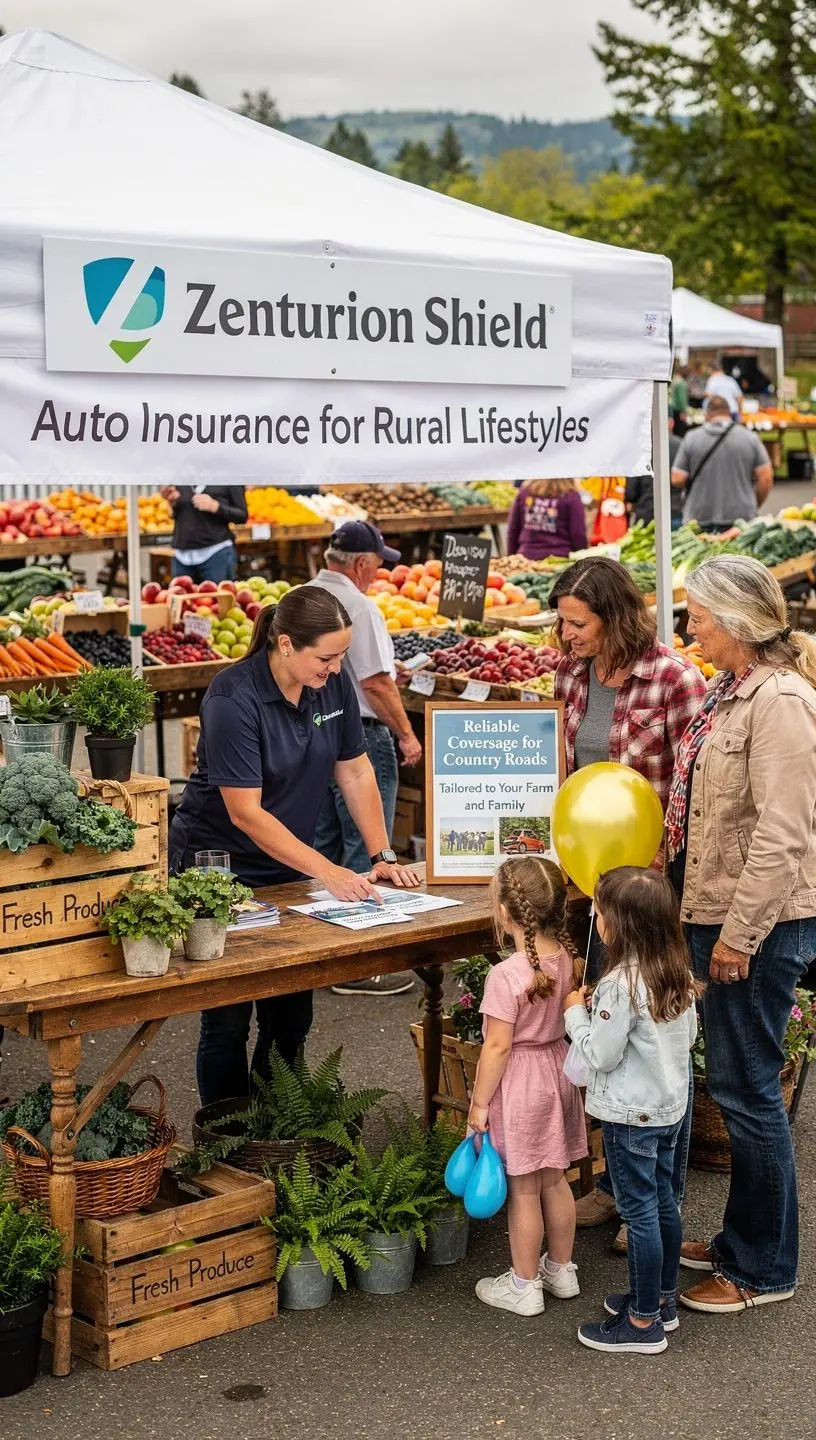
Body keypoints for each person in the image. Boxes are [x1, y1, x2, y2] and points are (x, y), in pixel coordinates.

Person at [169, 586, 420, 1106]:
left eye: (341, 657)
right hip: (219, 865)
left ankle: (276, 1128)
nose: (334, 669)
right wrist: (327, 871)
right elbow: (246, 812)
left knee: (291, 1013)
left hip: (288, 862)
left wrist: (382, 855)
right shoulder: (230, 698)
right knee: (229, 1016)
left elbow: (353, 770)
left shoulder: (330, 687)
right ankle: (226, 1136)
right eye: (325, 658)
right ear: (285, 644)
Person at [664, 555, 816, 1314]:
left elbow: (784, 834)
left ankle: (762, 1269)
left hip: (757, 922)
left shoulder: (781, 701)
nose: (691, 628)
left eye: (699, 615)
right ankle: (739, 1241)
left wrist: (739, 935)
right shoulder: (734, 692)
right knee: (736, 1080)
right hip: (719, 910)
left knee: (748, 1091)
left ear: (737, 622)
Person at [549, 556, 706, 1244]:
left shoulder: (673, 677)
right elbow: (569, 771)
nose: (565, 633)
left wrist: (659, 864)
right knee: (609, 1020)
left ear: (614, 618)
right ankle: (617, 1185)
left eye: (576, 622)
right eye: (560, 620)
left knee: (655, 1035)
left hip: (650, 885)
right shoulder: (568, 673)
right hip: (593, 882)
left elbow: (695, 782)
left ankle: (656, 1195)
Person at [565, 867, 700, 1355]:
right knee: (663, 1202)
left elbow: (601, 1054)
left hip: (629, 1117)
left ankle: (642, 1324)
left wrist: (575, 1015)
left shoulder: (620, 984)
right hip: (669, 1110)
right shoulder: (677, 972)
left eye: (598, 911)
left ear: (618, 925)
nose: (595, 918)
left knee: (639, 1211)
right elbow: (687, 1040)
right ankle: (661, 1299)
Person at [469, 857, 588, 1317]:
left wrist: (478, 1106)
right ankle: (561, 1270)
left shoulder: (505, 976)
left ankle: (523, 1285)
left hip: (520, 1081)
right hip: (558, 1070)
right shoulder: (568, 958)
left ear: (504, 913)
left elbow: (497, 1048)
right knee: (555, 1179)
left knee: (523, 1187)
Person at [311, 520, 423, 997]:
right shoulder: (358, 606)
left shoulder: (307, 595)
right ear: (359, 564)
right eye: (377, 566)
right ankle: (360, 965)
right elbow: (376, 683)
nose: (377, 575)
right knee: (365, 846)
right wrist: (406, 732)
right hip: (360, 736)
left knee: (325, 842)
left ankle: (320, 951)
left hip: (316, 736)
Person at [671, 395, 773, 531]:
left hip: (699, 516)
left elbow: (677, 478)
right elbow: (765, 478)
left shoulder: (691, 438)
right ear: (729, 413)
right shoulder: (750, 438)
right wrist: (755, 503)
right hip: (741, 518)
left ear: (707, 414)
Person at [161, 484, 247, 584]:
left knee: (217, 598)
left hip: (216, 553)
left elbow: (242, 515)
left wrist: (215, 506)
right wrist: (172, 503)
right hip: (182, 555)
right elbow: (180, 514)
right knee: (181, 597)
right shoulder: (182, 477)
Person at [624, 412, 684, 530]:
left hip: (647, 513)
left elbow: (631, 490)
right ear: (671, 423)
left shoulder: (641, 447)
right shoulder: (681, 445)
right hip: (674, 510)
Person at [506, 478, 587, 561]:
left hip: (526, 558)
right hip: (560, 561)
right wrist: (582, 561)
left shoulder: (526, 492)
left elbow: (513, 529)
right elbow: (578, 533)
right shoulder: (571, 496)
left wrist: (511, 558)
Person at [670, 367, 690, 437]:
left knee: (675, 429)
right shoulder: (681, 383)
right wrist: (684, 410)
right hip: (679, 409)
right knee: (680, 430)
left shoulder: (675, 380)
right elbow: (682, 398)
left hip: (673, 407)